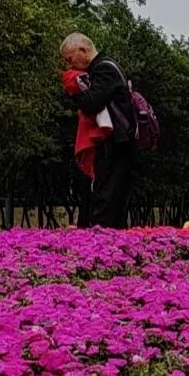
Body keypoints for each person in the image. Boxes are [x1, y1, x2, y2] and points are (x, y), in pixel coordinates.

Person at [60, 33, 136, 229]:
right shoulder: (105, 68)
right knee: (108, 198)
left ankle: (101, 247)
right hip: (114, 144)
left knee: (106, 199)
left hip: (114, 145)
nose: (70, 66)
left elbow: (91, 103)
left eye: (70, 59)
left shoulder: (104, 70)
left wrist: (73, 90)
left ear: (83, 51)